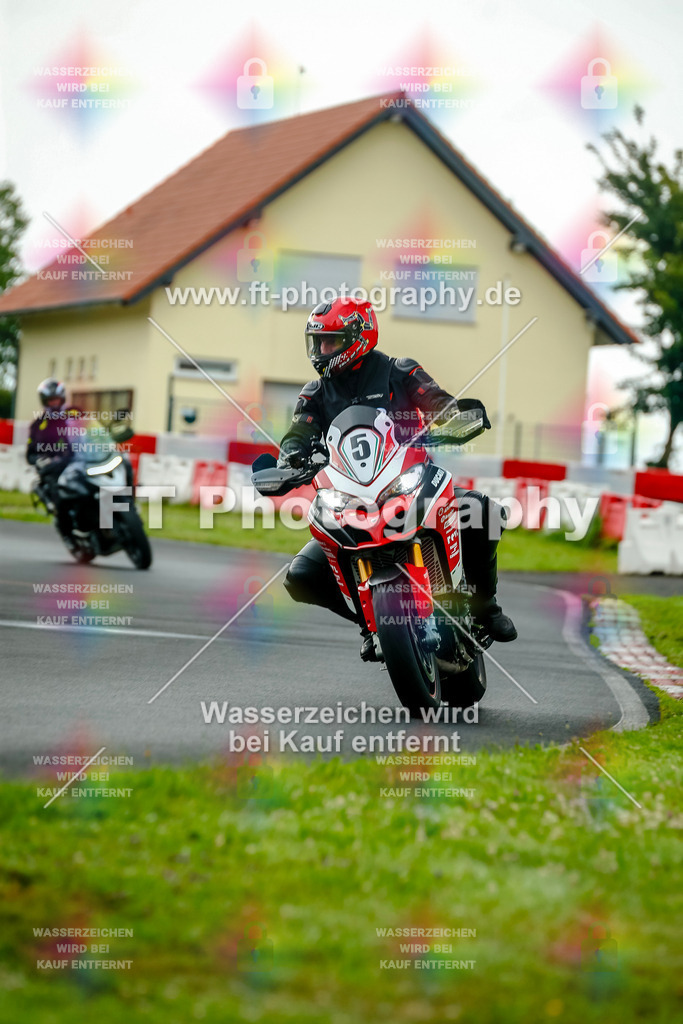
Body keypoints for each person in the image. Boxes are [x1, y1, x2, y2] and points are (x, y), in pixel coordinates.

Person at [278, 296, 517, 660]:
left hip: (410, 479)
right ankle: (368, 620)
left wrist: (450, 417)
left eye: (332, 341)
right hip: (350, 495)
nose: (323, 350)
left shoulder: (398, 371)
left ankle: (486, 607)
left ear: (359, 336)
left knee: (483, 513)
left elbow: (435, 399)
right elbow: (299, 431)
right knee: (301, 575)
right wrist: (290, 456)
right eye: (319, 342)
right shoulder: (314, 393)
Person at [27, 378, 82, 542]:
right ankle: (68, 533)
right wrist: (41, 461)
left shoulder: (75, 413)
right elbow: (30, 454)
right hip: (56, 468)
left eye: (57, 399)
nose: (55, 403)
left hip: (79, 460)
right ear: (45, 402)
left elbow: (94, 430)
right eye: (51, 400)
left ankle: (124, 509)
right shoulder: (38, 425)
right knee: (59, 495)